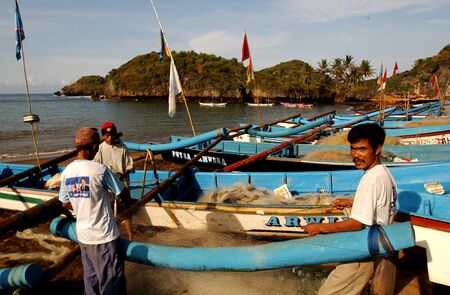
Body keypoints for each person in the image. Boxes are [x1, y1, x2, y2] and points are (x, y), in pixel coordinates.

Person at [302, 123, 397, 295]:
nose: (356, 155)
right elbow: (380, 204)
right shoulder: (383, 172)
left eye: (362, 149)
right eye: (353, 149)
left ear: (377, 149)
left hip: (361, 254)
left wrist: (319, 227)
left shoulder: (371, 180)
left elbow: (356, 225)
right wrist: (353, 202)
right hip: (374, 249)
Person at [59, 127, 128, 295]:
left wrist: (82, 202)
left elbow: (64, 203)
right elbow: (123, 193)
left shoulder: (67, 171)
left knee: (91, 281)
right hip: (104, 237)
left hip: (84, 237)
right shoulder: (100, 170)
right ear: (96, 147)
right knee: (111, 282)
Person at [94, 121, 134, 189]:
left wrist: (123, 175)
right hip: (107, 185)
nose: (110, 138)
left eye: (112, 135)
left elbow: (130, 166)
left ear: (115, 134)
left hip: (122, 183)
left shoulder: (122, 147)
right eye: (107, 136)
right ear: (103, 136)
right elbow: (95, 166)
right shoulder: (100, 148)